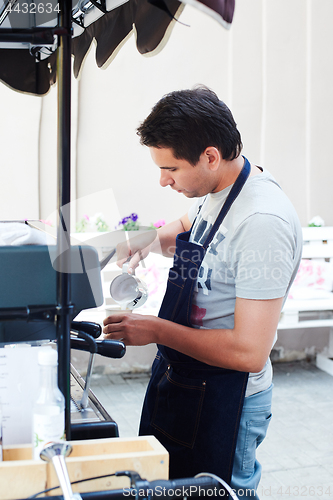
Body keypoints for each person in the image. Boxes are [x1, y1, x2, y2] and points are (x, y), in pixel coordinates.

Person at [103, 86, 302, 498]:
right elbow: (188, 228)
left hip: (228, 398)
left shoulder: (263, 222)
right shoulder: (216, 190)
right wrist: (140, 241)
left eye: (171, 169)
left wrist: (156, 330)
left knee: (222, 492)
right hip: (187, 378)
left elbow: (249, 352)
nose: (163, 181)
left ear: (210, 156)